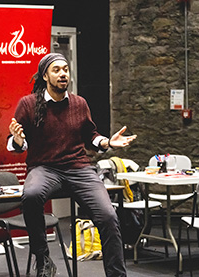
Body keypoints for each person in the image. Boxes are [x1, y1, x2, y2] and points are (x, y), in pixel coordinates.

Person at [8, 53, 137, 277]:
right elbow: (16, 142)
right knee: (31, 195)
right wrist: (18, 141)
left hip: (78, 168)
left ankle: (117, 274)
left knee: (108, 216)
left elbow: (91, 136)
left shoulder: (79, 103)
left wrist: (107, 142)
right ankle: (43, 259)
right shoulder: (29, 104)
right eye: (56, 70)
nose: (63, 74)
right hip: (44, 167)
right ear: (45, 76)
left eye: (65, 70)